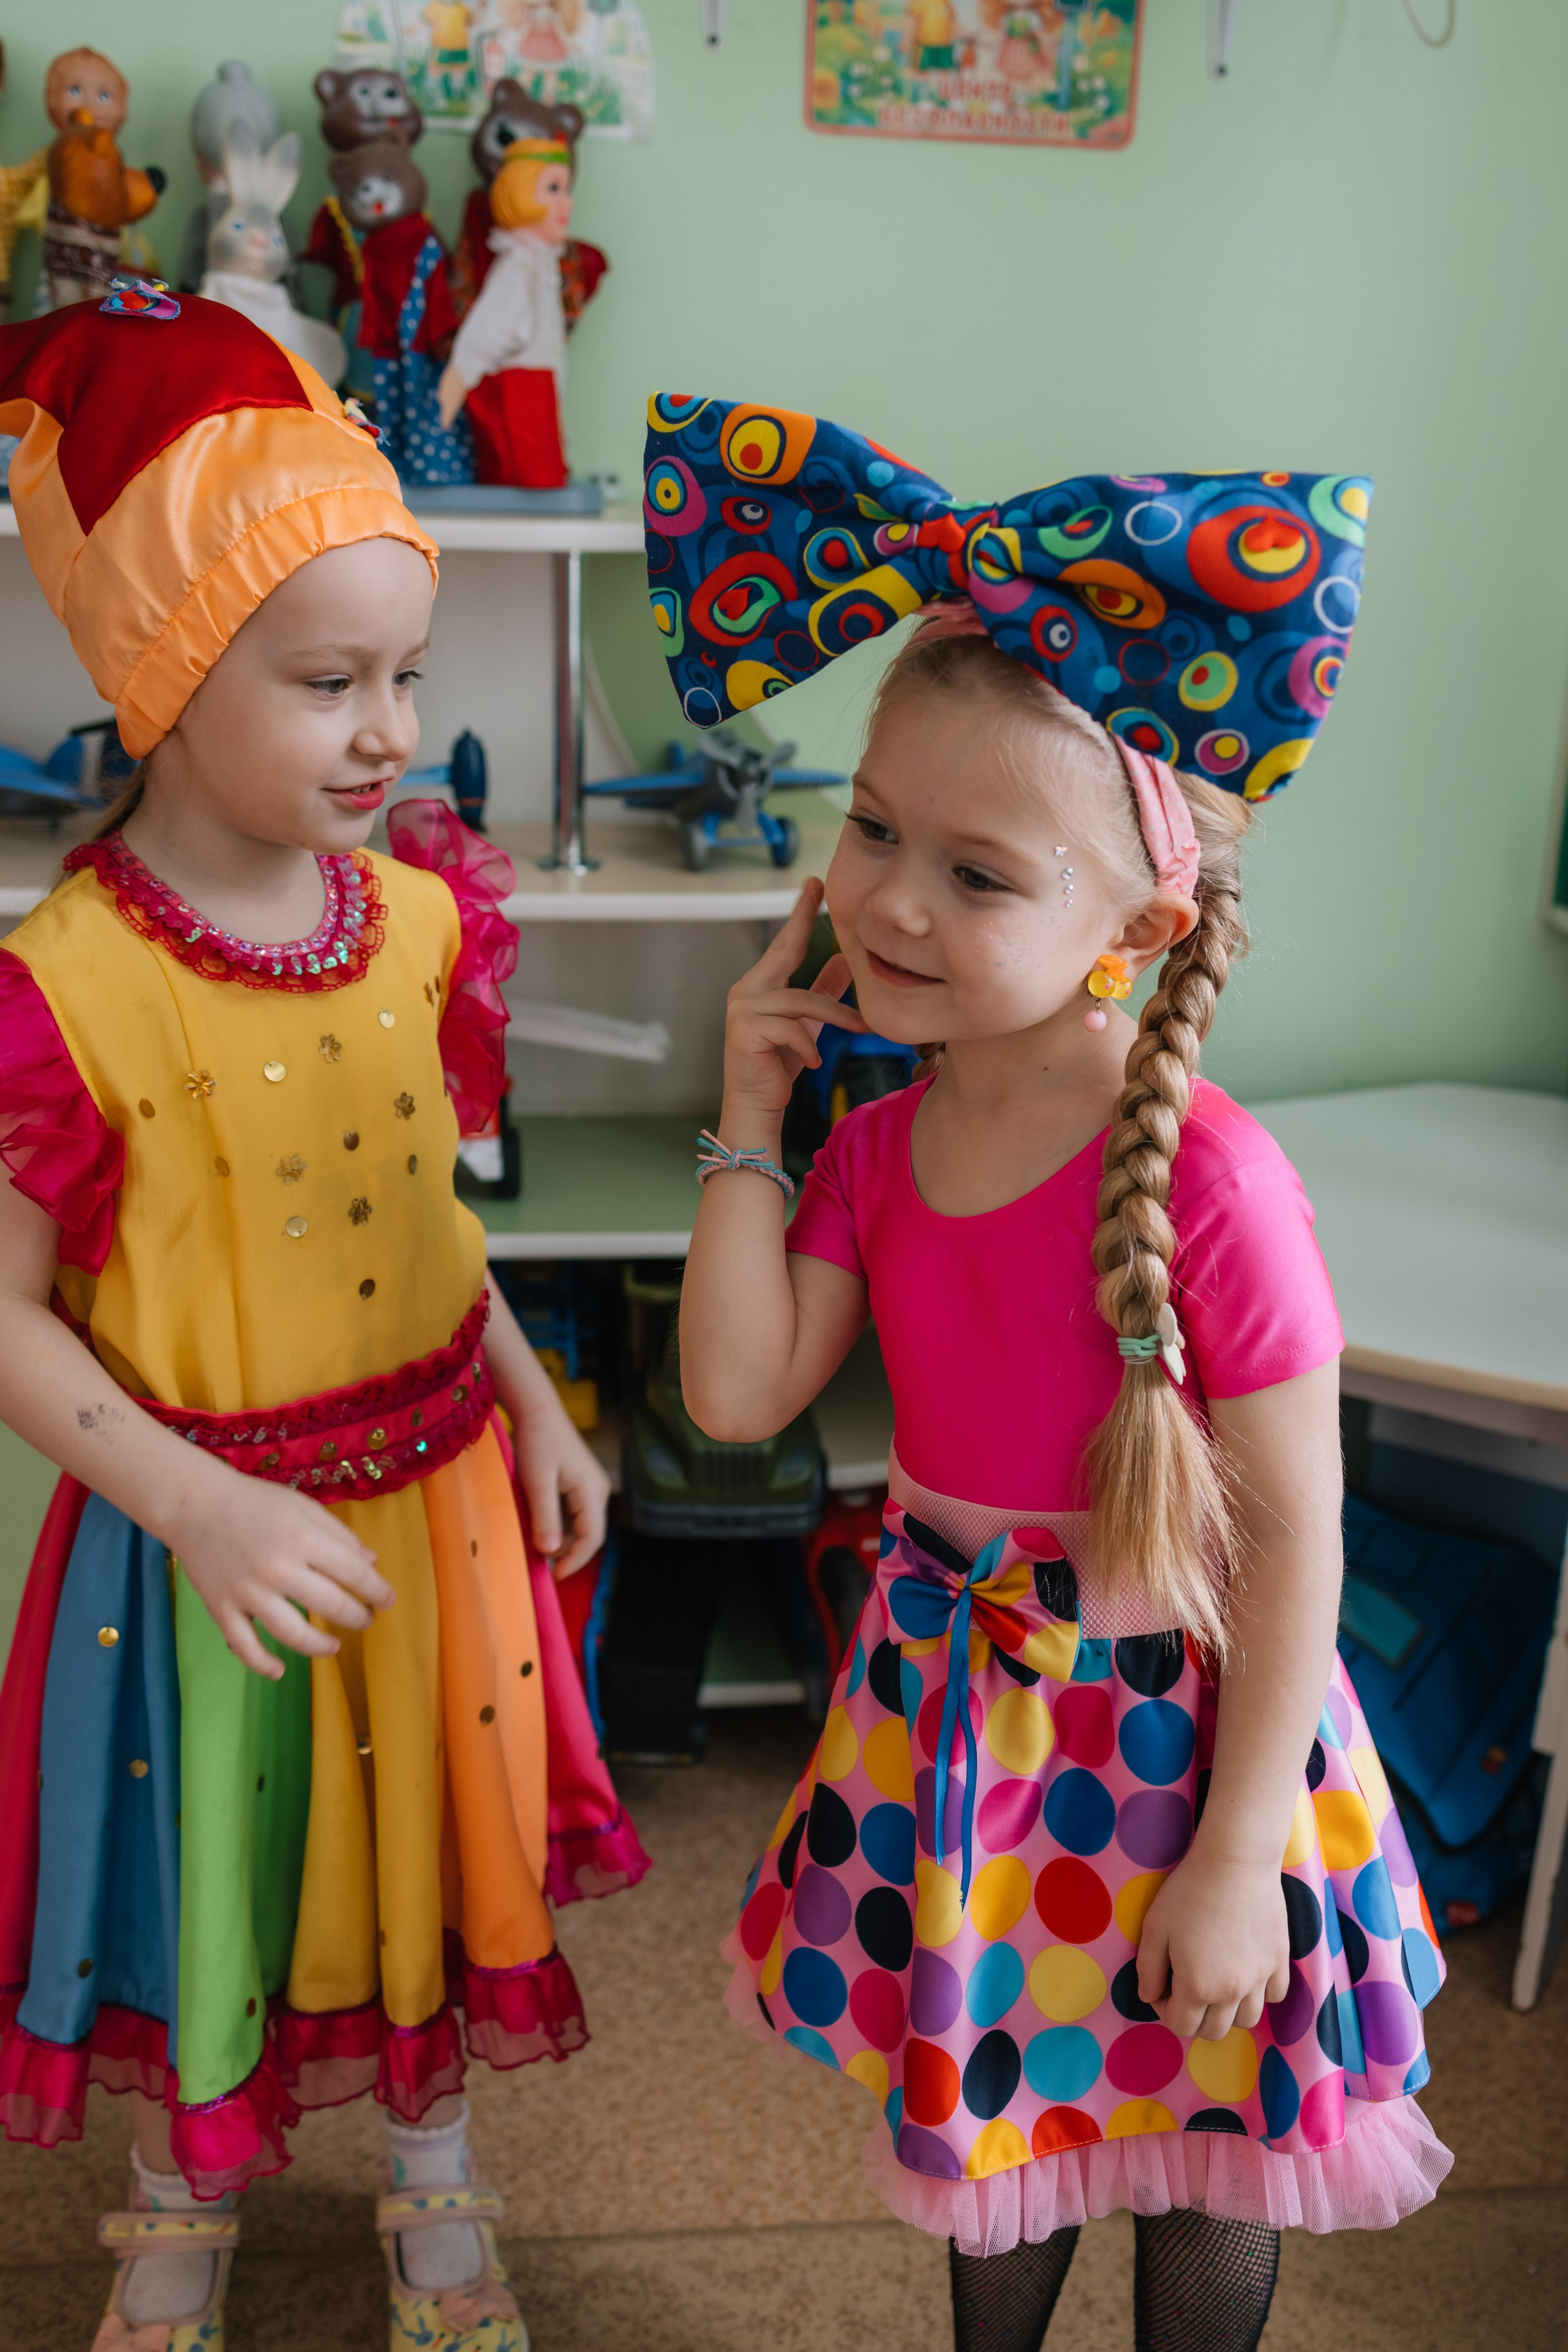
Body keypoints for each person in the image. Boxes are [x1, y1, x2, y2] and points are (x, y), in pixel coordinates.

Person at [653, 399, 1449, 2351]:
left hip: (1189, 1755)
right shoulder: (863, 1136)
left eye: (977, 872)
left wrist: (1241, 1855)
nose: (892, 900)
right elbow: (740, 1395)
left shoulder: (1213, 1187)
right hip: (973, 1741)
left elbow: (1295, 1557)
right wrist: (749, 1105)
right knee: (996, 2139)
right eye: (872, 832)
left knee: (1200, 2150)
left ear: (1136, 927)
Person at [0, 292, 648, 2352]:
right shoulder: (70, 986)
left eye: (407, 675)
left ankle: (435, 2182)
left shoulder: (432, 919)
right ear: (166, 676)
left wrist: (534, 1402)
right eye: (324, 680)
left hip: (438, 1507)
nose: (391, 727)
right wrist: (189, 1507)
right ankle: (178, 2205)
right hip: (209, 1545)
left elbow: (429, 1220)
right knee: (220, 1870)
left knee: (427, 1852)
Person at [438, 139, 576, 491]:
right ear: (520, 193)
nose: (567, 203)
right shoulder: (517, 266)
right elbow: (483, 338)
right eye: (554, 189)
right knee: (526, 487)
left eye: (566, 190)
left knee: (542, 488)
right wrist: (444, 409)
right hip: (521, 399)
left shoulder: (539, 263)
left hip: (538, 397)